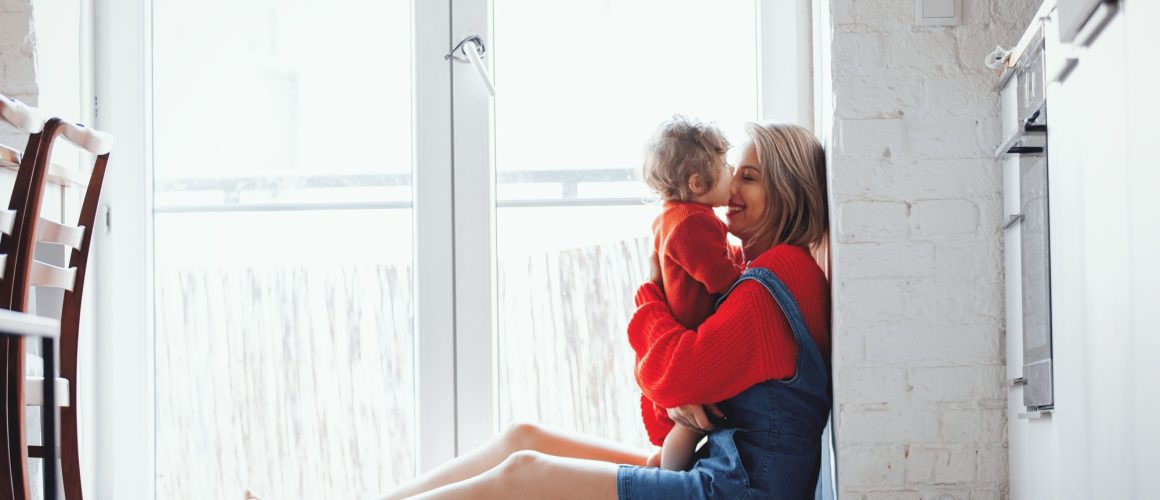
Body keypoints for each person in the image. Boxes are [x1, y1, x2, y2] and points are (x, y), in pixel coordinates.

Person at [378, 123, 831, 500]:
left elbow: (671, 378)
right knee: (525, 437)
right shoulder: (768, 271)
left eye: (749, 178)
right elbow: (674, 382)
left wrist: (650, 292)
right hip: (727, 471)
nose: (731, 186)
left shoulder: (776, 278)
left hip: (737, 489)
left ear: (789, 190)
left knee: (524, 475)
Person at [638, 115, 743, 471]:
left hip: (683, 332)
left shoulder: (671, 217)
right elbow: (723, 280)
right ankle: (669, 480)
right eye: (726, 166)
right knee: (689, 426)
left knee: (689, 427)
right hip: (689, 343)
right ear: (698, 183)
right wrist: (752, 274)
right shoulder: (692, 224)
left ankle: (658, 465)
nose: (732, 173)